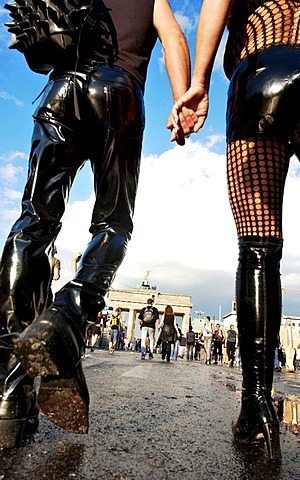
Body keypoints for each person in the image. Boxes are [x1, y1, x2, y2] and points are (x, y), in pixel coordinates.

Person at [0, 0, 191, 449]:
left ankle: (9, 393)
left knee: (32, 225)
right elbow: (175, 39)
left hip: (60, 92)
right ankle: (69, 314)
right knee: (113, 225)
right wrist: (185, 96)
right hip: (118, 94)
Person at [171, 0, 300, 459]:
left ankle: (255, 406)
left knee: (257, 245)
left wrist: (198, 83)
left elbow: (217, 2)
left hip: (258, 66)